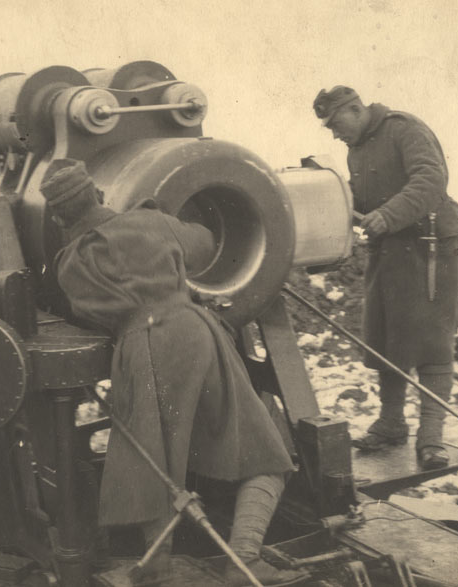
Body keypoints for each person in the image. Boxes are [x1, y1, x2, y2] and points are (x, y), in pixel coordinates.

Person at [41, 160, 307, 586]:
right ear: (100, 195)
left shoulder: (70, 262)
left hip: (141, 347)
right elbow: (203, 243)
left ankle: (158, 568)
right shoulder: (150, 222)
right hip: (196, 332)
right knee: (260, 443)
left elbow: (85, 311)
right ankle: (245, 557)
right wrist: (158, 218)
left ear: (58, 217)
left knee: (153, 461)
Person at [312, 86, 458, 469]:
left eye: (336, 123)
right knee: (385, 335)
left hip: (431, 247)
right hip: (390, 248)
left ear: (356, 109)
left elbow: (432, 181)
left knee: (433, 343)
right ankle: (392, 423)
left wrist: (390, 214)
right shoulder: (356, 150)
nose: (334, 132)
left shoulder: (405, 129)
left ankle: (431, 438)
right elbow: (363, 201)